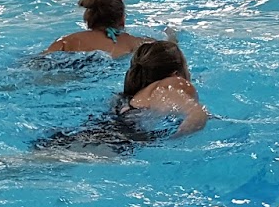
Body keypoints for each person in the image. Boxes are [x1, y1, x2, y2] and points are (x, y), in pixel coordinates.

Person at [36, 39, 210, 152]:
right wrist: (195, 115)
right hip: (107, 144)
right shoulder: (175, 83)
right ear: (176, 73)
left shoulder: (131, 96)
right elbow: (189, 110)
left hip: (79, 136)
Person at [46, 0, 147, 57]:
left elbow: (41, 61)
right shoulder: (135, 43)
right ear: (122, 20)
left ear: (89, 17)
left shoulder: (67, 41)